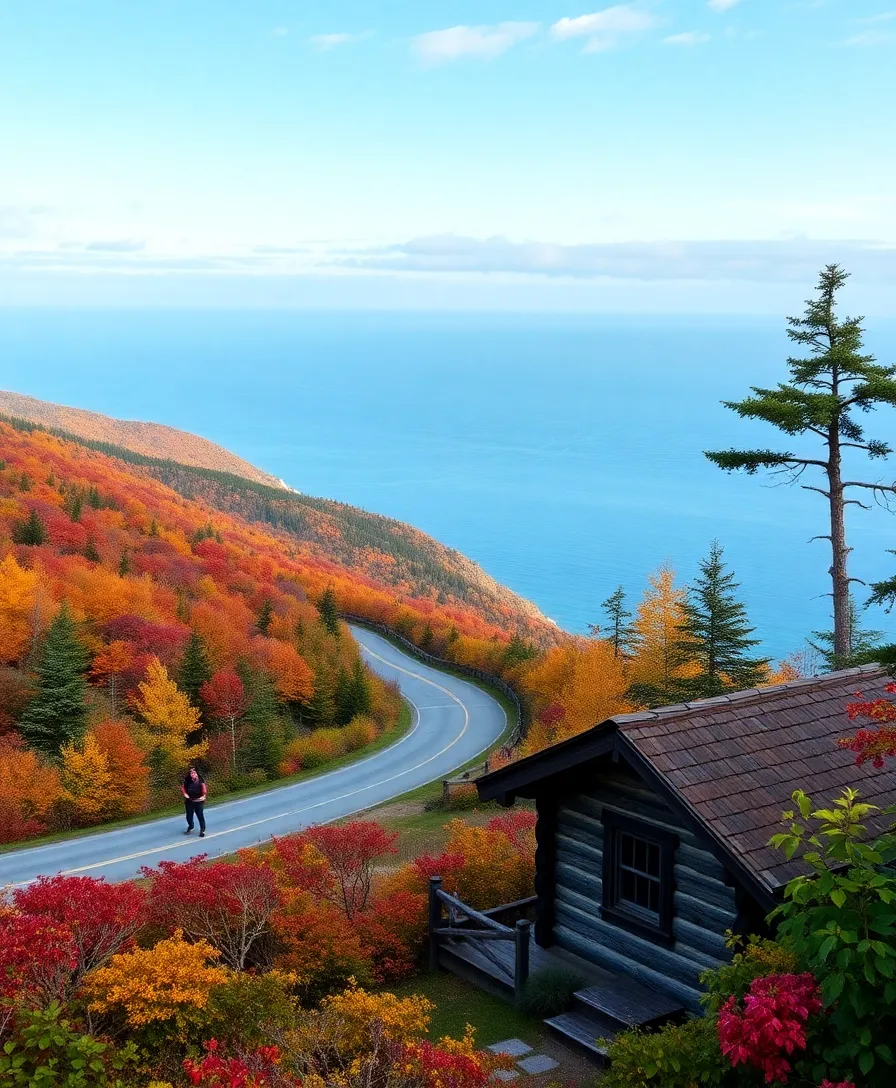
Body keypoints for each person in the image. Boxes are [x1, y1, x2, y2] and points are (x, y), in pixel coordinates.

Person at [182, 766, 207, 837]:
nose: (192, 774)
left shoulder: (200, 781)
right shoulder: (187, 781)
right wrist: (185, 794)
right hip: (190, 801)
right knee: (189, 816)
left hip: (198, 801)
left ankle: (202, 830)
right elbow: (183, 787)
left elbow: (204, 789)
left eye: (194, 772)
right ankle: (191, 826)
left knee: (200, 816)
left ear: (196, 774)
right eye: (191, 773)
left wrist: (203, 796)